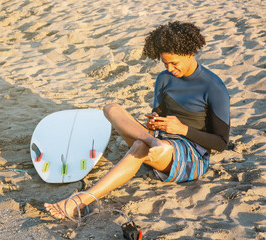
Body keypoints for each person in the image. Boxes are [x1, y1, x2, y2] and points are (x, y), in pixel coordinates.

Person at [44, 21, 230, 219]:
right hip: (160, 143)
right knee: (111, 109)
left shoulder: (214, 87)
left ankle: (79, 201)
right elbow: (158, 113)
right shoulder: (164, 78)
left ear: (189, 53)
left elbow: (220, 143)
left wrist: (182, 129)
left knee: (141, 147)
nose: (170, 69)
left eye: (174, 63)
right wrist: (154, 122)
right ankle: (153, 143)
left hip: (192, 154)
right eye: (165, 63)